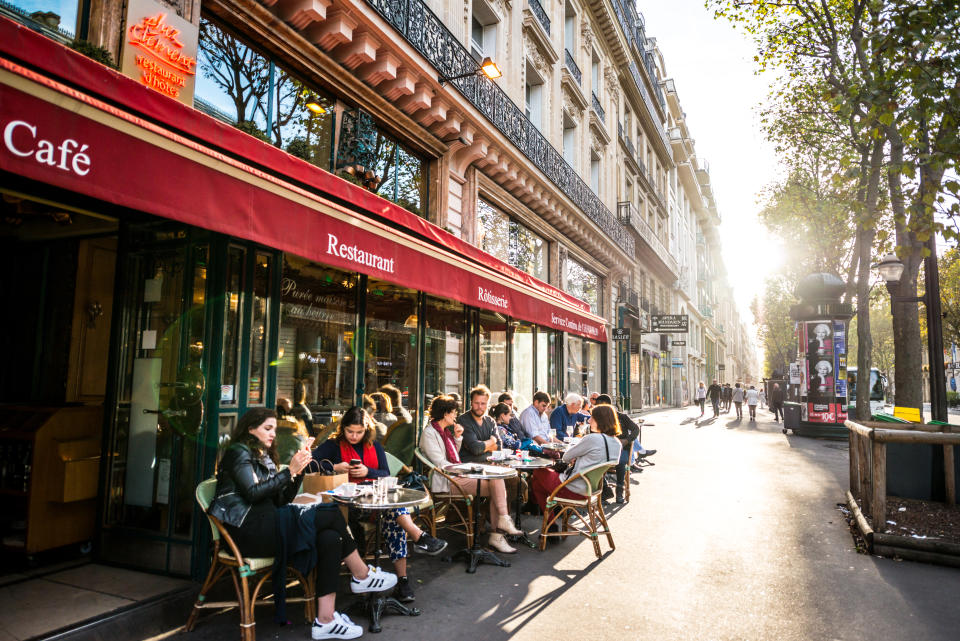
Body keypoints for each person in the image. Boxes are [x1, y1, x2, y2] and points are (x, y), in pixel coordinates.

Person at [209, 408, 396, 640]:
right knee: (330, 512)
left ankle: (325, 621)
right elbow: (253, 494)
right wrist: (290, 471)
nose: (272, 434)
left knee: (330, 538)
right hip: (249, 533)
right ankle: (362, 574)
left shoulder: (263, 455)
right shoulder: (238, 452)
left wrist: (299, 470)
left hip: (270, 524)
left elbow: (281, 499)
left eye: (274, 430)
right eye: (267, 429)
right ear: (250, 429)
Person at [312, 407, 447, 603]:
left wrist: (367, 472)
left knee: (394, 517)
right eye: (350, 431)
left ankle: (402, 580)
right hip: (348, 507)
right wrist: (335, 467)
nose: (354, 436)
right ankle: (418, 541)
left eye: (359, 432)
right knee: (395, 514)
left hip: (375, 503)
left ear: (366, 429)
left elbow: (385, 473)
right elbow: (311, 463)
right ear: (343, 429)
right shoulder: (333, 445)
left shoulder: (374, 446)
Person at [419, 395, 522, 554]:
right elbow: (441, 463)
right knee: (497, 483)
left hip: (456, 476)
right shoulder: (430, 433)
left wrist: (458, 438)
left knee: (496, 481)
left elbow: (454, 455)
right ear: (445, 414)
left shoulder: (445, 431)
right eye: (453, 412)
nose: (455, 416)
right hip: (447, 481)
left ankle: (500, 527)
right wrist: (467, 469)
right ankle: (500, 528)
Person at [531, 405, 623, 513]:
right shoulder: (617, 443)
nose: (589, 420)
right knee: (537, 485)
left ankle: (550, 519)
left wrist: (577, 457)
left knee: (538, 472)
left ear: (600, 420)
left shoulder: (593, 438)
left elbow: (566, 457)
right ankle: (552, 515)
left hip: (572, 488)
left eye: (592, 417)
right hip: (593, 489)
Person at [593, 394, 640, 504]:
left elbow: (635, 429)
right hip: (604, 450)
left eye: (600, 406)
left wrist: (626, 440)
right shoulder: (597, 419)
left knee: (619, 461)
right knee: (595, 461)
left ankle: (619, 491)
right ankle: (604, 490)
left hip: (621, 449)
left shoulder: (622, 417)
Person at [457, 385, 500, 462]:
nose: (479, 406)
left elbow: (499, 447)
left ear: (488, 405)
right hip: (468, 468)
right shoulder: (463, 420)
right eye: (476, 403)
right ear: (471, 403)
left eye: (483, 403)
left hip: (489, 466)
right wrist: (492, 441)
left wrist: (482, 447)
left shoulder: (490, 421)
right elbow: (475, 449)